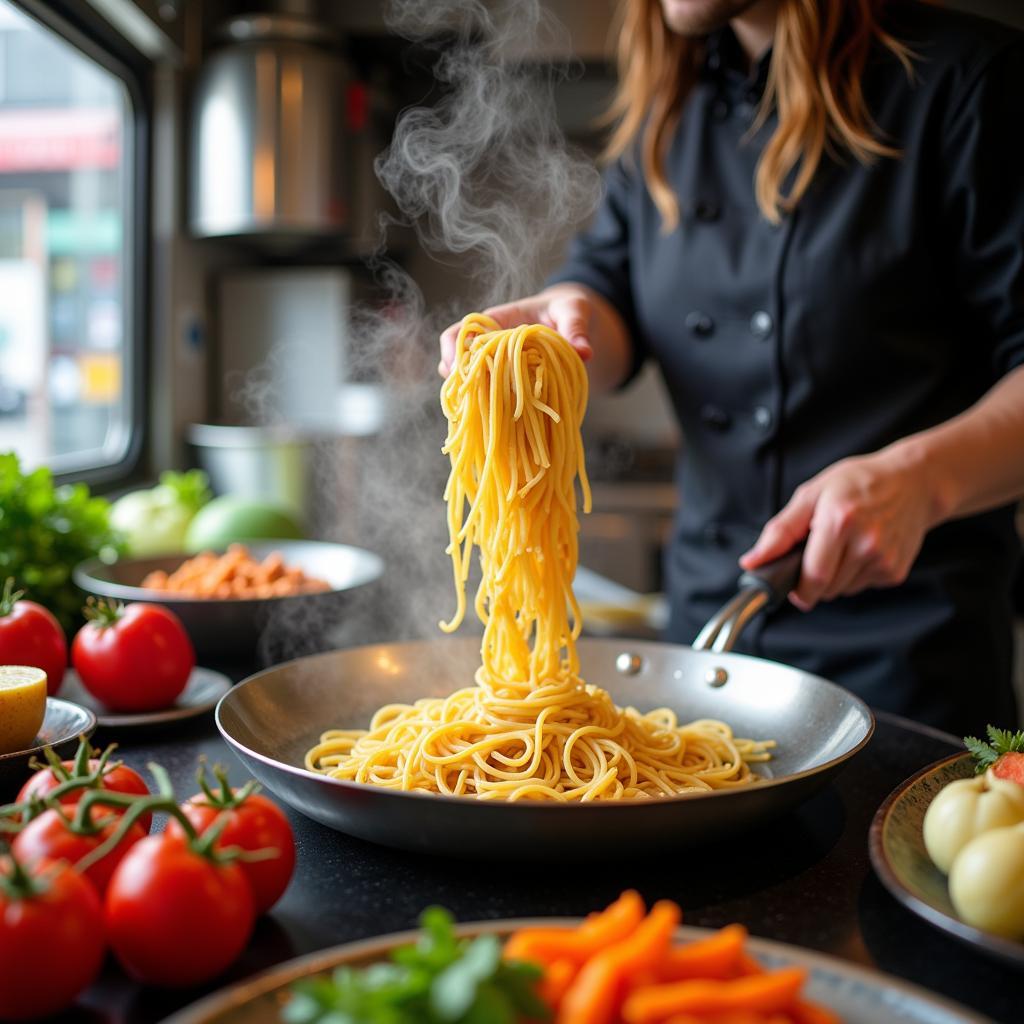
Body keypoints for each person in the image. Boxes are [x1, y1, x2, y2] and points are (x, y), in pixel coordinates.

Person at [439, 0, 1024, 735]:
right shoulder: (669, 112)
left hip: (908, 673)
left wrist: (920, 482)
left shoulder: (970, 82)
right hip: (705, 658)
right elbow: (605, 307)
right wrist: (554, 332)